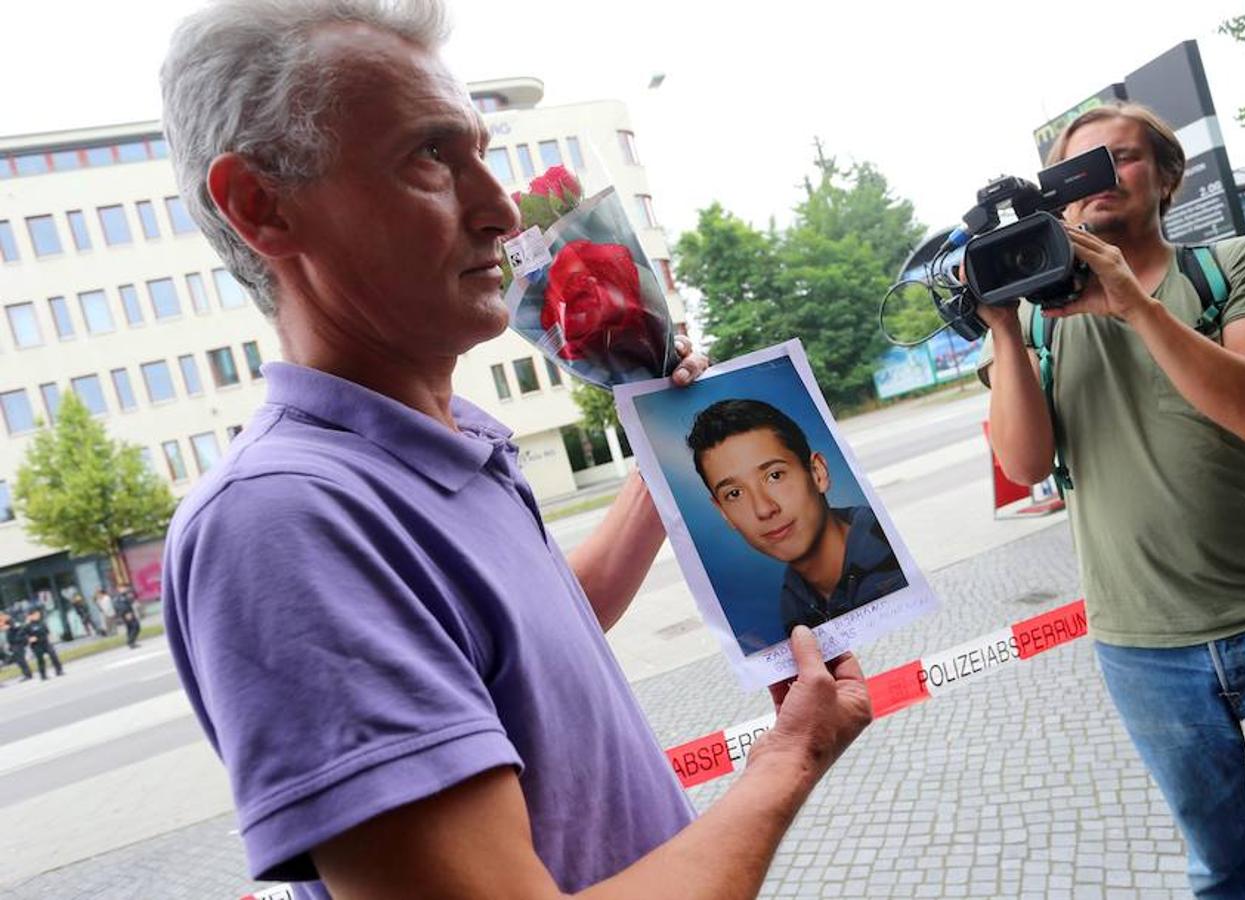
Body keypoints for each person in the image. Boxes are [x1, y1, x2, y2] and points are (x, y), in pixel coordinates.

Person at [158, 2, 871, 897]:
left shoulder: (453, 445)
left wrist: (668, 458)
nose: (499, 211)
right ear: (262, 206)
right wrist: (791, 755)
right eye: (428, 156)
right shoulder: (283, 522)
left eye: (481, 157)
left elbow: (528, 634)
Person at [979, 101, 1245, 897]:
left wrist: (1133, 305)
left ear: (1167, 178)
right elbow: (1026, 462)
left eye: (1122, 159)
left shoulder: (1242, 265)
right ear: (1055, 198)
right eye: (1077, 171)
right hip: (1142, 650)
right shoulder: (1039, 322)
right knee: (1224, 871)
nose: (1099, 181)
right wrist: (1003, 328)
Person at [687, 399, 906, 634]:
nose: (763, 509)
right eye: (734, 493)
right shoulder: (793, 606)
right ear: (723, 512)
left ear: (817, 473)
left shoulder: (896, 546)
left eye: (775, 475)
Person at [24, 607, 64, 680]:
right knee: (40, 660)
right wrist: (29, 639)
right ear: (31, 616)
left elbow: (47, 632)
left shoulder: (42, 622)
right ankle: (43, 675)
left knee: (53, 656)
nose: (38, 615)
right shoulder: (27, 626)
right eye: (36, 614)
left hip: (45, 642)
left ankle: (59, 670)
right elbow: (23, 636)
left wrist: (50, 639)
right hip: (36, 645)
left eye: (38, 614)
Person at [2, 611, 33, 681]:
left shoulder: (12, 622)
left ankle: (28, 674)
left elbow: (19, 628)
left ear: (7, 616)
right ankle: (26, 674)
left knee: (21, 660)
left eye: (3, 616)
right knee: (19, 661)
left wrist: (9, 627)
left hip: (17, 644)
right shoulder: (7, 622)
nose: (2, 618)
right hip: (13, 644)